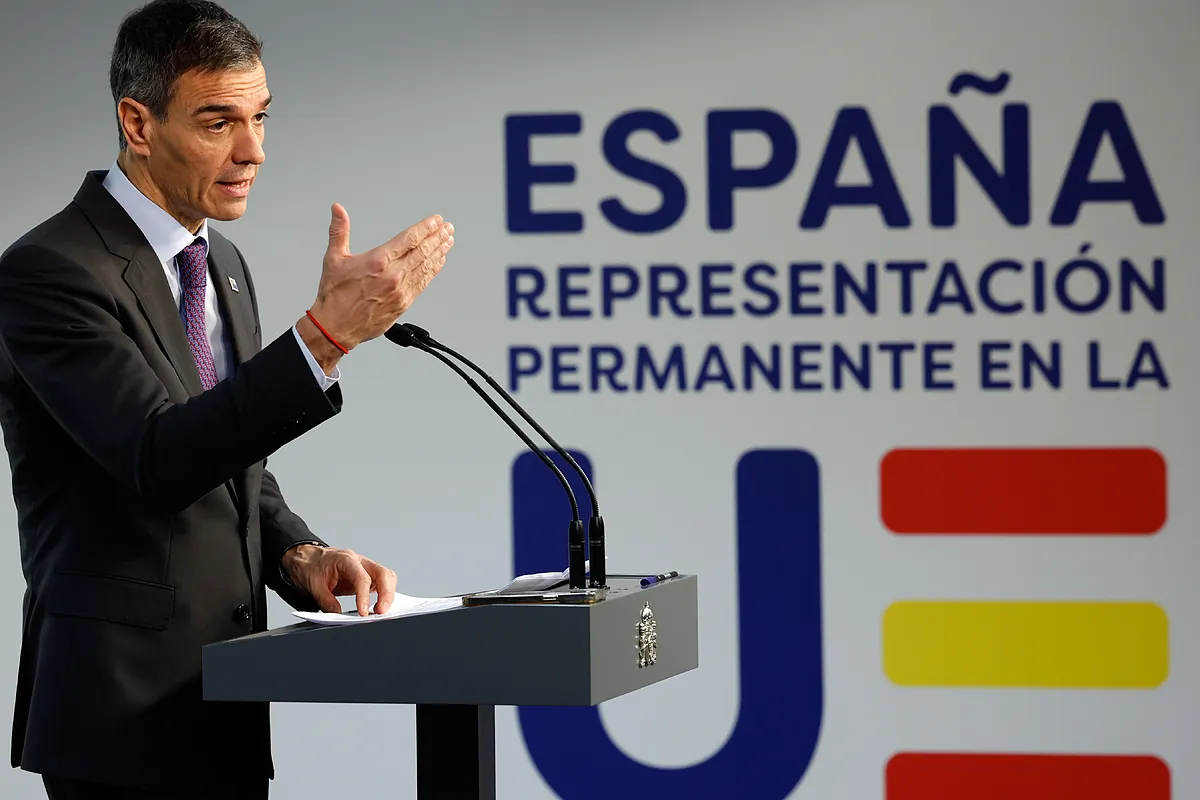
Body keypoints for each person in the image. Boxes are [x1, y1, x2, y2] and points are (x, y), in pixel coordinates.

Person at [0, 0, 455, 797]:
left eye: (260, 118)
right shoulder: (50, 271)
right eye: (219, 123)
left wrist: (298, 555)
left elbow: (233, 461)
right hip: (118, 720)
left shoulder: (223, 264)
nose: (253, 151)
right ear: (137, 124)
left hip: (225, 709)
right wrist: (323, 340)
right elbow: (158, 456)